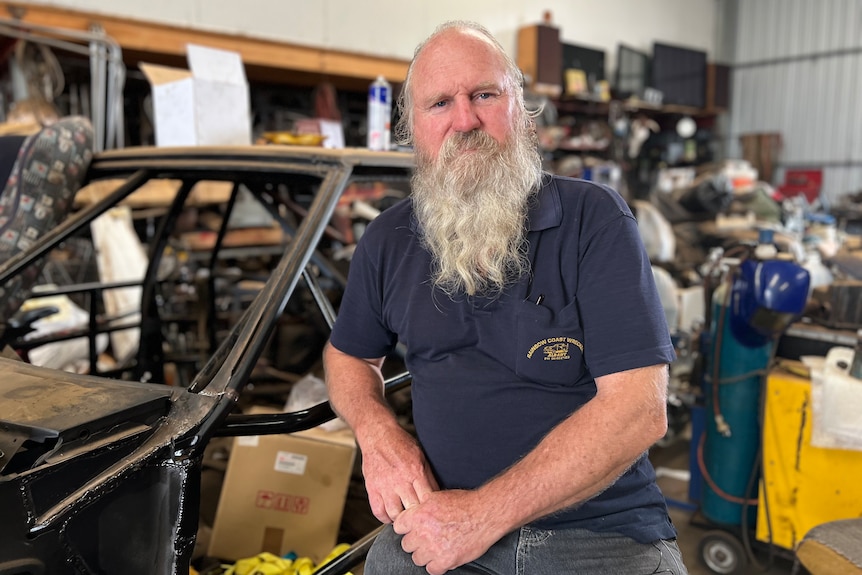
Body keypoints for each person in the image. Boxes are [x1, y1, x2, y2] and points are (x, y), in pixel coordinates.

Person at [323, 20, 688, 575]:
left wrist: (479, 518)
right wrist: (378, 434)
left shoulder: (593, 219)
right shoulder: (388, 238)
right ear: (413, 129)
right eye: (440, 103)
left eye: (485, 95)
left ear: (521, 108)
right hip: (436, 525)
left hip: (595, 535)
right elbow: (348, 355)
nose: (465, 120)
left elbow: (639, 410)